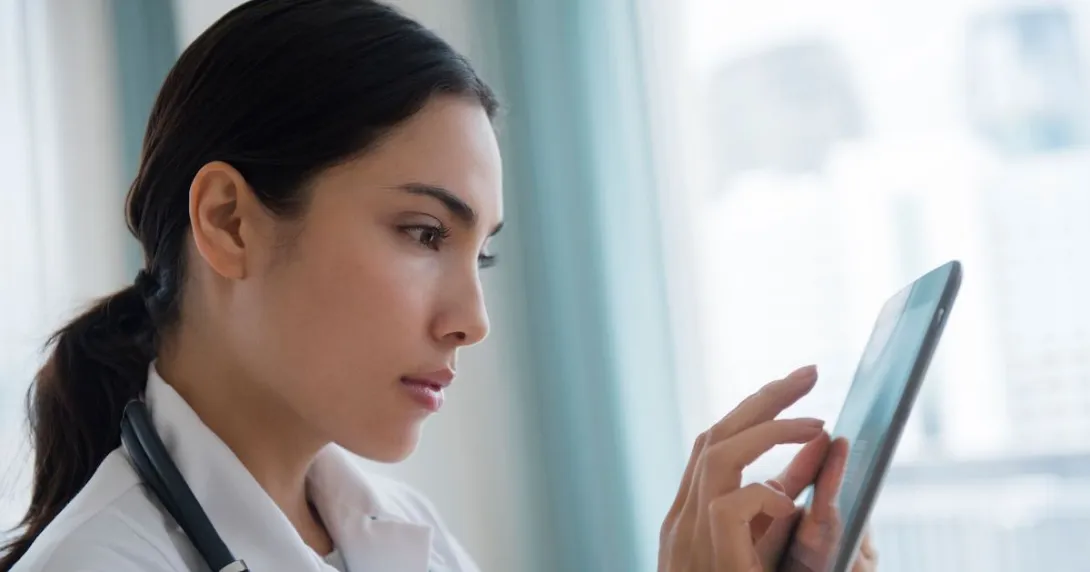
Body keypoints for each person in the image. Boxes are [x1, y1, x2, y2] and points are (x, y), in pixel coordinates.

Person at [0, 1, 878, 571]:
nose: (472, 322)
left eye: (480, 253)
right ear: (229, 221)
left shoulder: (398, 534)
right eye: (424, 234)